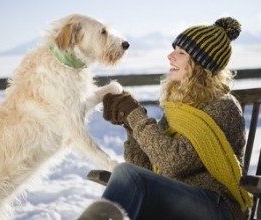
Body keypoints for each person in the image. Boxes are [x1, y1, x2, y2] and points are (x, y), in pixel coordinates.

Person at [78, 17, 253, 220]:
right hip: (178, 201)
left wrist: (136, 116)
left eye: (181, 52)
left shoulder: (223, 107)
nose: (170, 56)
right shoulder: (179, 108)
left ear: (200, 64)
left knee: (126, 175)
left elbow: (172, 162)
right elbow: (144, 167)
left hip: (218, 208)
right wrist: (130, 125)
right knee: (128, 176)